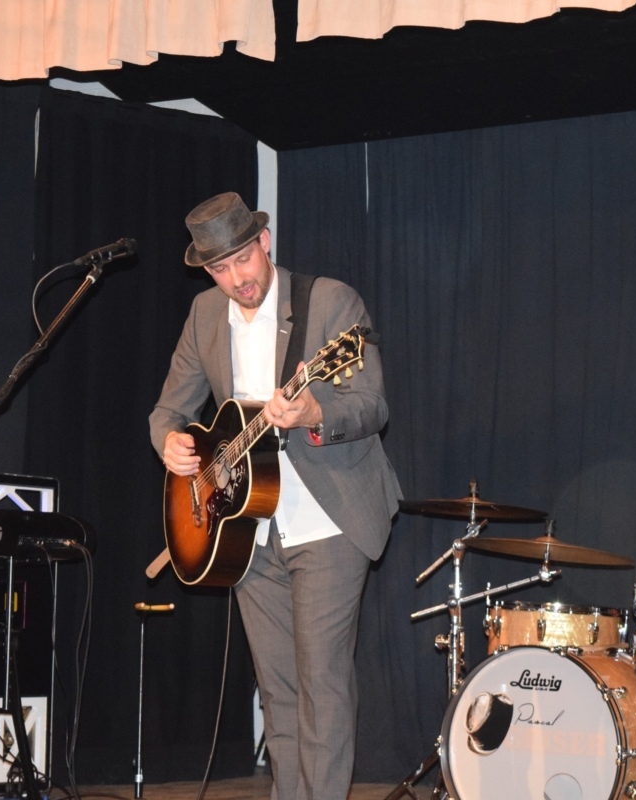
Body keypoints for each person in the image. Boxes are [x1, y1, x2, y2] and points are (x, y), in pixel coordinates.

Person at [149, 192, 401, 800]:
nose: (236, 279)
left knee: (322, 686)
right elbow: (166, 412)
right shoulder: (204, 315)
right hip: (246, 529)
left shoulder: (330, 302)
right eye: (220, 269)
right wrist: (170, 444)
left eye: (243, 259)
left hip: (327, 517)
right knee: (280, 693)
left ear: (264, 243)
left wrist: (315, 413)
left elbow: (372, 406)